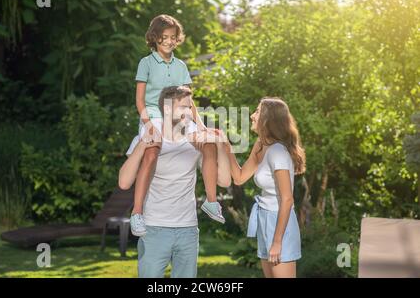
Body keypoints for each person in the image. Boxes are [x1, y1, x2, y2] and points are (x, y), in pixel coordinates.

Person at [128, 14, 225, 237]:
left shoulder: (181, 66)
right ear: (155, 38)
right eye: (165, 37)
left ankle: (211, 201)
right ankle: (137, 212)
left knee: (208, 144)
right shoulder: (146, 63)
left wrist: (200, 126)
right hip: (153, 115)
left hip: (179, 118)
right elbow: (140, 100)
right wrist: (148, 125)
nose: (170, 41)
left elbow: (188, 100)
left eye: (173, 37)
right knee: (151, 153)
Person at [119, 85, 231, 278]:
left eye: (190, 107)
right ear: (168, 108)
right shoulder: (149, 136)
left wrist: (220, 145)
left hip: (187, 229)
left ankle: (210, 204)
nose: (189, 112)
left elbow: (224, 180)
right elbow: (123, 182)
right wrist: (141, 145)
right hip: (153, 228)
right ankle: (136, 213)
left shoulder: (195, 141)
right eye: (184, 107)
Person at [224, 97, 306, 278]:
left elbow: (287, 199)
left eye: (257, 112)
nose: (252, 116)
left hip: (280, 224)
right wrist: (226, 146)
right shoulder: (261, 146)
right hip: (264, 218)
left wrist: (277, 242)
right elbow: (239, 178)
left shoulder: (277, 152)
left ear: (269, 119)